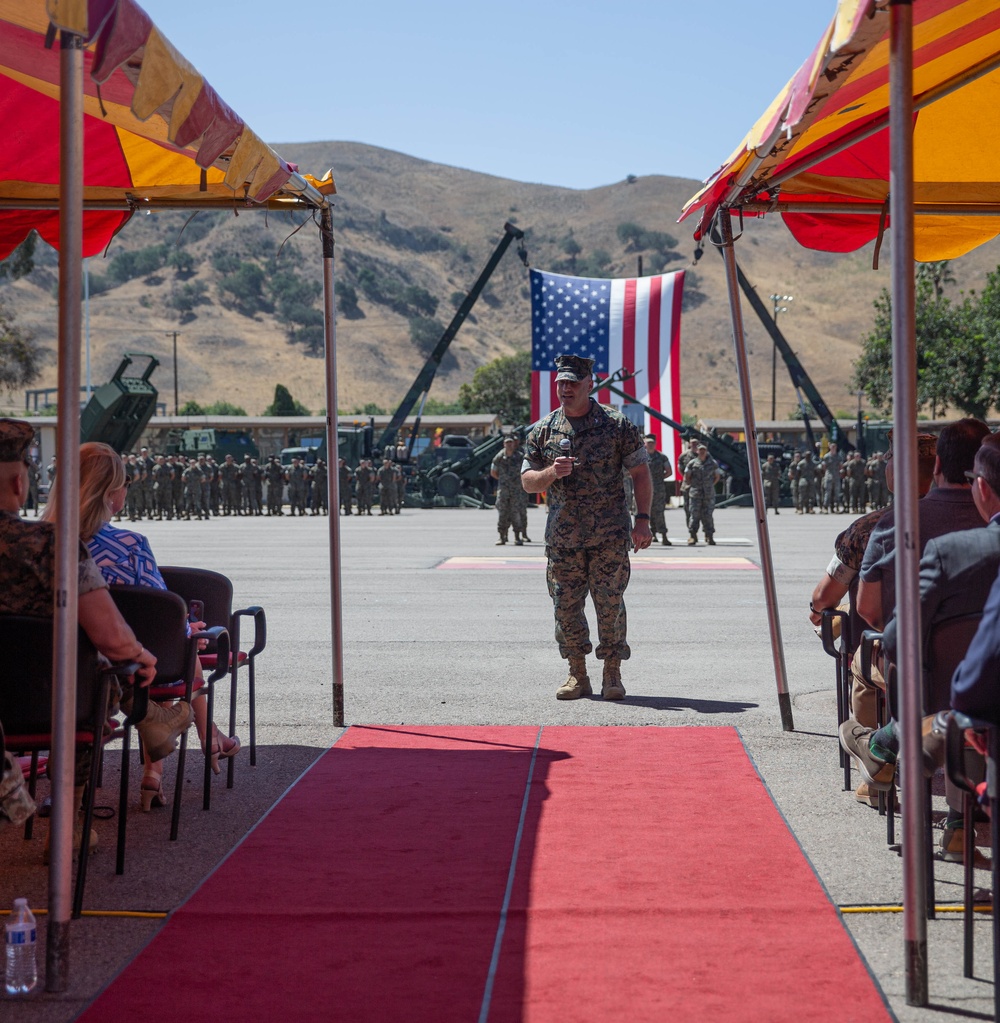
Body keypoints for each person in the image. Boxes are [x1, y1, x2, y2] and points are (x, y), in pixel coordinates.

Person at [0, 420, 187, 855]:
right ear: (18, 480)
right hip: (48, 701)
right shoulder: (48, 544)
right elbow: (112, 636)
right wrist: (143, 656)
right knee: (90, 680)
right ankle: (69, 825)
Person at [45, 442, 239, 811]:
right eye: (125, 483)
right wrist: (186, 631)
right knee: (184, 644)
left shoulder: (35, 540)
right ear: (111, 494)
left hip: (42, 672)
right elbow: (159, 610)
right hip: (113, 672)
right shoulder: (129, 545)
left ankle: (181, 740)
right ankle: (195, 736)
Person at [521, 354, 652, 702]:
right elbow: (528, 481)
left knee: (609, 604)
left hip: (609, 536)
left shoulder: (616, 424)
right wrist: (551, 473)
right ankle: (577, 674)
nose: (565, 389)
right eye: (561, 383)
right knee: (565, 607)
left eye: (572, 383)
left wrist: (643, 520)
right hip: (563, 539)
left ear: (589, 384)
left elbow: (640, 472)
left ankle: (612, 673)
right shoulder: (543, 429)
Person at [491, 435, 527, 545]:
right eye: (507, 443)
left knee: (515, 513)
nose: (509, 444)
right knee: (503, 513)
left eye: (511, 442)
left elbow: (525, 471)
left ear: (514, 444)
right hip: (503, 490)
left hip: (516, 490)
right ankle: (502, 537)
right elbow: (493, 472)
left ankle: (517, 537)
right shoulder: (499, 457)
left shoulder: (520, 456)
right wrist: (503, 480)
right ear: (504, 444)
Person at [684, 444, 720, 545]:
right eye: (700, 450)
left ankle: (709, 536)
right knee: (694, 515)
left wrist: (710, 485)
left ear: (706, 451)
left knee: (708, 515)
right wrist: (694, 485)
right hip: (695, 494)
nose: (702, 451)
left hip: (708, 494)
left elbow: (717, 476)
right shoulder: (692, 463)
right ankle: (693, 536)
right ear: (697, 451)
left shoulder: (712, 463)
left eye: (704, 450)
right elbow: (687, 476)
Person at [644, 434, 673, 544]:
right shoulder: (641, 457)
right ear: (645, 444)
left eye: (652, 443)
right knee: (644, 512)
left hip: (658, 489)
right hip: (644, 489)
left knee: (659, 512)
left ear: (655, 444)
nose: (650, 445)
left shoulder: (662, 457)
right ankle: (651, 534)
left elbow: (669, 471)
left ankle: (664, 535)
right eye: (648, 443)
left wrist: (659, 479)